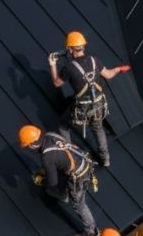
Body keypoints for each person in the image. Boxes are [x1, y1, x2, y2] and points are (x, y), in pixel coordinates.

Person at [49, 30, 131, 167]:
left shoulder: (69, 68)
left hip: (82, 108)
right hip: (98, 105)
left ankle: (71, 157)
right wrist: (118, 69)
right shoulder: (95, 60)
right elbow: (109, 75)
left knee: (63, 125)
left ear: (69, 49)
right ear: (83, 47)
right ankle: (105, 159)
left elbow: (57, 83)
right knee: (98, 129)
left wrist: (52, 64)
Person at [19, 124, 98, 236]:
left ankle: (91, 231)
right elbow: (63, 155)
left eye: (27, 145)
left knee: (78, 205)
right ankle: (66, 193)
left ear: (32, 144)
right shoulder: (50, 134)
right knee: (60, 175)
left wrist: (43, 180)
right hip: (83, 161)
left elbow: (53, 182)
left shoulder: (47, 157)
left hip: (79, 176)